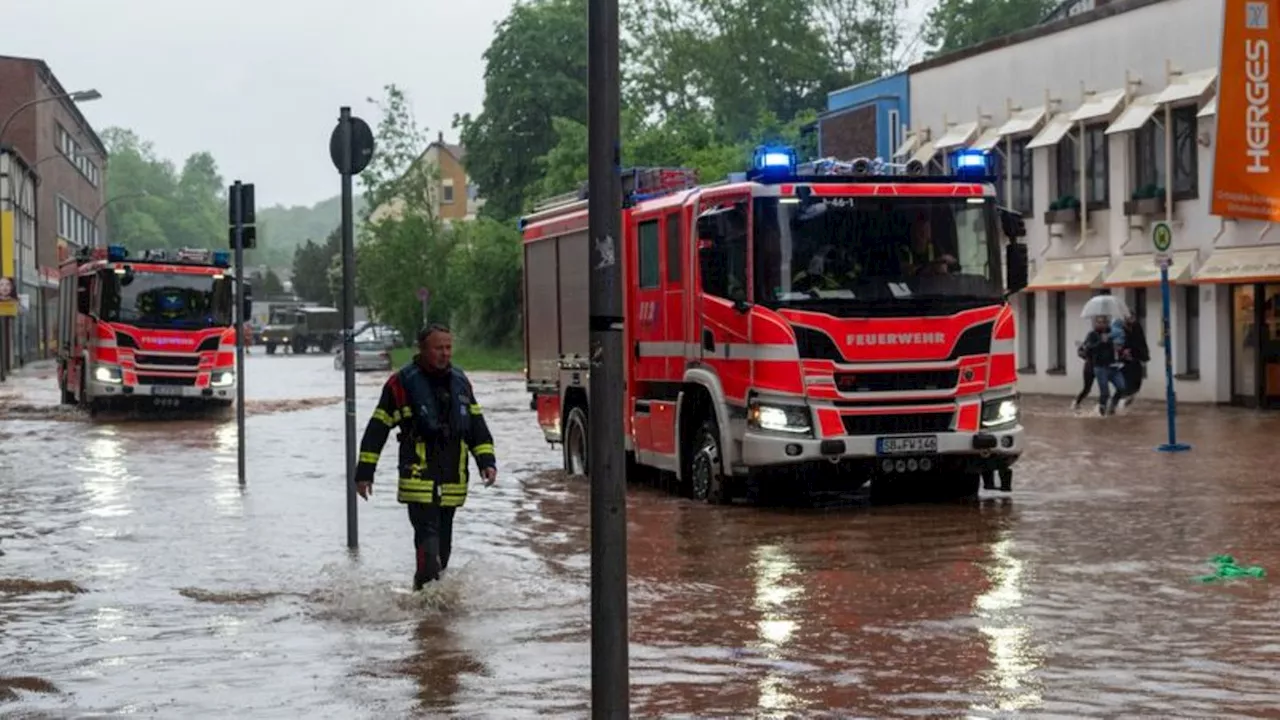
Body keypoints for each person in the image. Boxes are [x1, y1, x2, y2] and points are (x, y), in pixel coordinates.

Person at [354, 324, 498, 590]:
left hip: (453, 479)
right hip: (418, 477)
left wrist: (487, 462)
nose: (445, 354)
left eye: (448, 347)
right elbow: (378, 427)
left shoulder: (460, 381)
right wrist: (364, 472)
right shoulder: (401, 384)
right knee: (429, 548)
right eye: (438, 348)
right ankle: (425, 612)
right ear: (422, 349)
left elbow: (477, 426)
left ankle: (431, 611)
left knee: (443, 550)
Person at [1080, 315, 1126, 416]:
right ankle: (1102, 413)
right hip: (1100, 367)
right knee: (1105, 392)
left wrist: (1121, 351)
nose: (1101, 324)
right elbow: (1088, 349)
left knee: (1122, 387)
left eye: (1103, 322)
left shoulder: (1112, 333)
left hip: (1113, 366)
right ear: (1095, 323)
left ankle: (1112, 406)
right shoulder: (1092, 335)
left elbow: (1117, 346)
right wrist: (1101, 342)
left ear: (1107, 323)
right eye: (1099, 322)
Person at [1118, 311, 1150, 408]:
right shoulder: (1119, 329)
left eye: (1133, 317)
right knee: (1127, 382)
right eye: (1129, 317)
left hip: (1136, 358)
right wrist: (1123, 351)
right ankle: (1120, 403)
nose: (1131, 319)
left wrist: (1145, 356)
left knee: (1137, 382)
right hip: (1124, 361)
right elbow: (1116, 344)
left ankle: (1128, 400)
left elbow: (1142, 341)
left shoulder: (1137, 327)